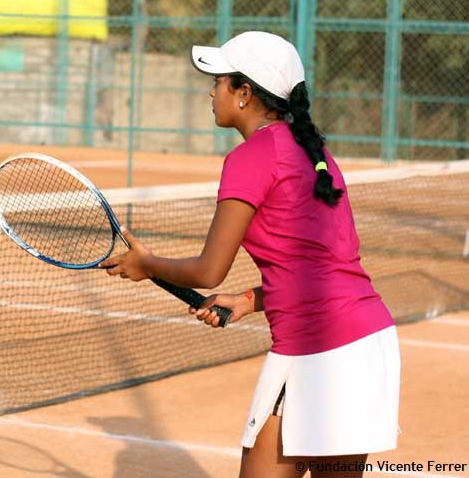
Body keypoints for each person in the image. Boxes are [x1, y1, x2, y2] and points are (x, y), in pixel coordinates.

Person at [102, 31, 399, 478]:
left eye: (219, 80)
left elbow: (208, 269)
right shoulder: (316, 156)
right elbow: (323, 265)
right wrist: (250, 299)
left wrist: (147, 265)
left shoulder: (250, 157)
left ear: (244, 93)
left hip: (316, 351)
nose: (210, 89)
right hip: (369, 342)